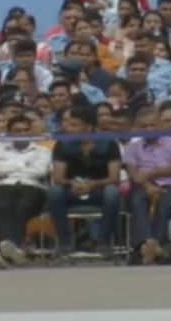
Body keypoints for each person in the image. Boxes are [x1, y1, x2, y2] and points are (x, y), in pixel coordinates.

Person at [47, 105, 123, 257]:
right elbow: (58, 178)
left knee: (112, 192)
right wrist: (72, 184)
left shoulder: (109, 144)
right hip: (72, 190)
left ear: (89, 127)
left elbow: (114, 178)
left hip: (99, 190)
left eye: (74, 125)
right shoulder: (62, 144)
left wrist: (93, 185)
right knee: (54, 191)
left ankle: (103, 243)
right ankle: (65, 243)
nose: (68, 128)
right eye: (67, 124)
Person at [122, 101, 171, 265]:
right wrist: (148, 186)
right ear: (138, 127)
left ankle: (149, 247)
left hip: (170, 186)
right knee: (138, 200)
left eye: (152, 125)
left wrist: (152, 173)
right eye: (144, 126)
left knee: (165, 202)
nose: (149, 129)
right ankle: (151, 246)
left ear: (160, 124)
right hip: (143, 186)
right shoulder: (132, 147)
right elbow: (134, 174)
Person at [0, 119, 52, 266]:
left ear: (30, 132)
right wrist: (22, 164)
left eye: (25, 130)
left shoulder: (43, 151)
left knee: (23, 207)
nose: (22, 133)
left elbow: (40, 171)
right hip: (4, 185)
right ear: (9, 133)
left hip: (32, 186)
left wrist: (8, 167)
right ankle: (15, 249)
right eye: (17, 131)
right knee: (3, 206)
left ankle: (6, 248)